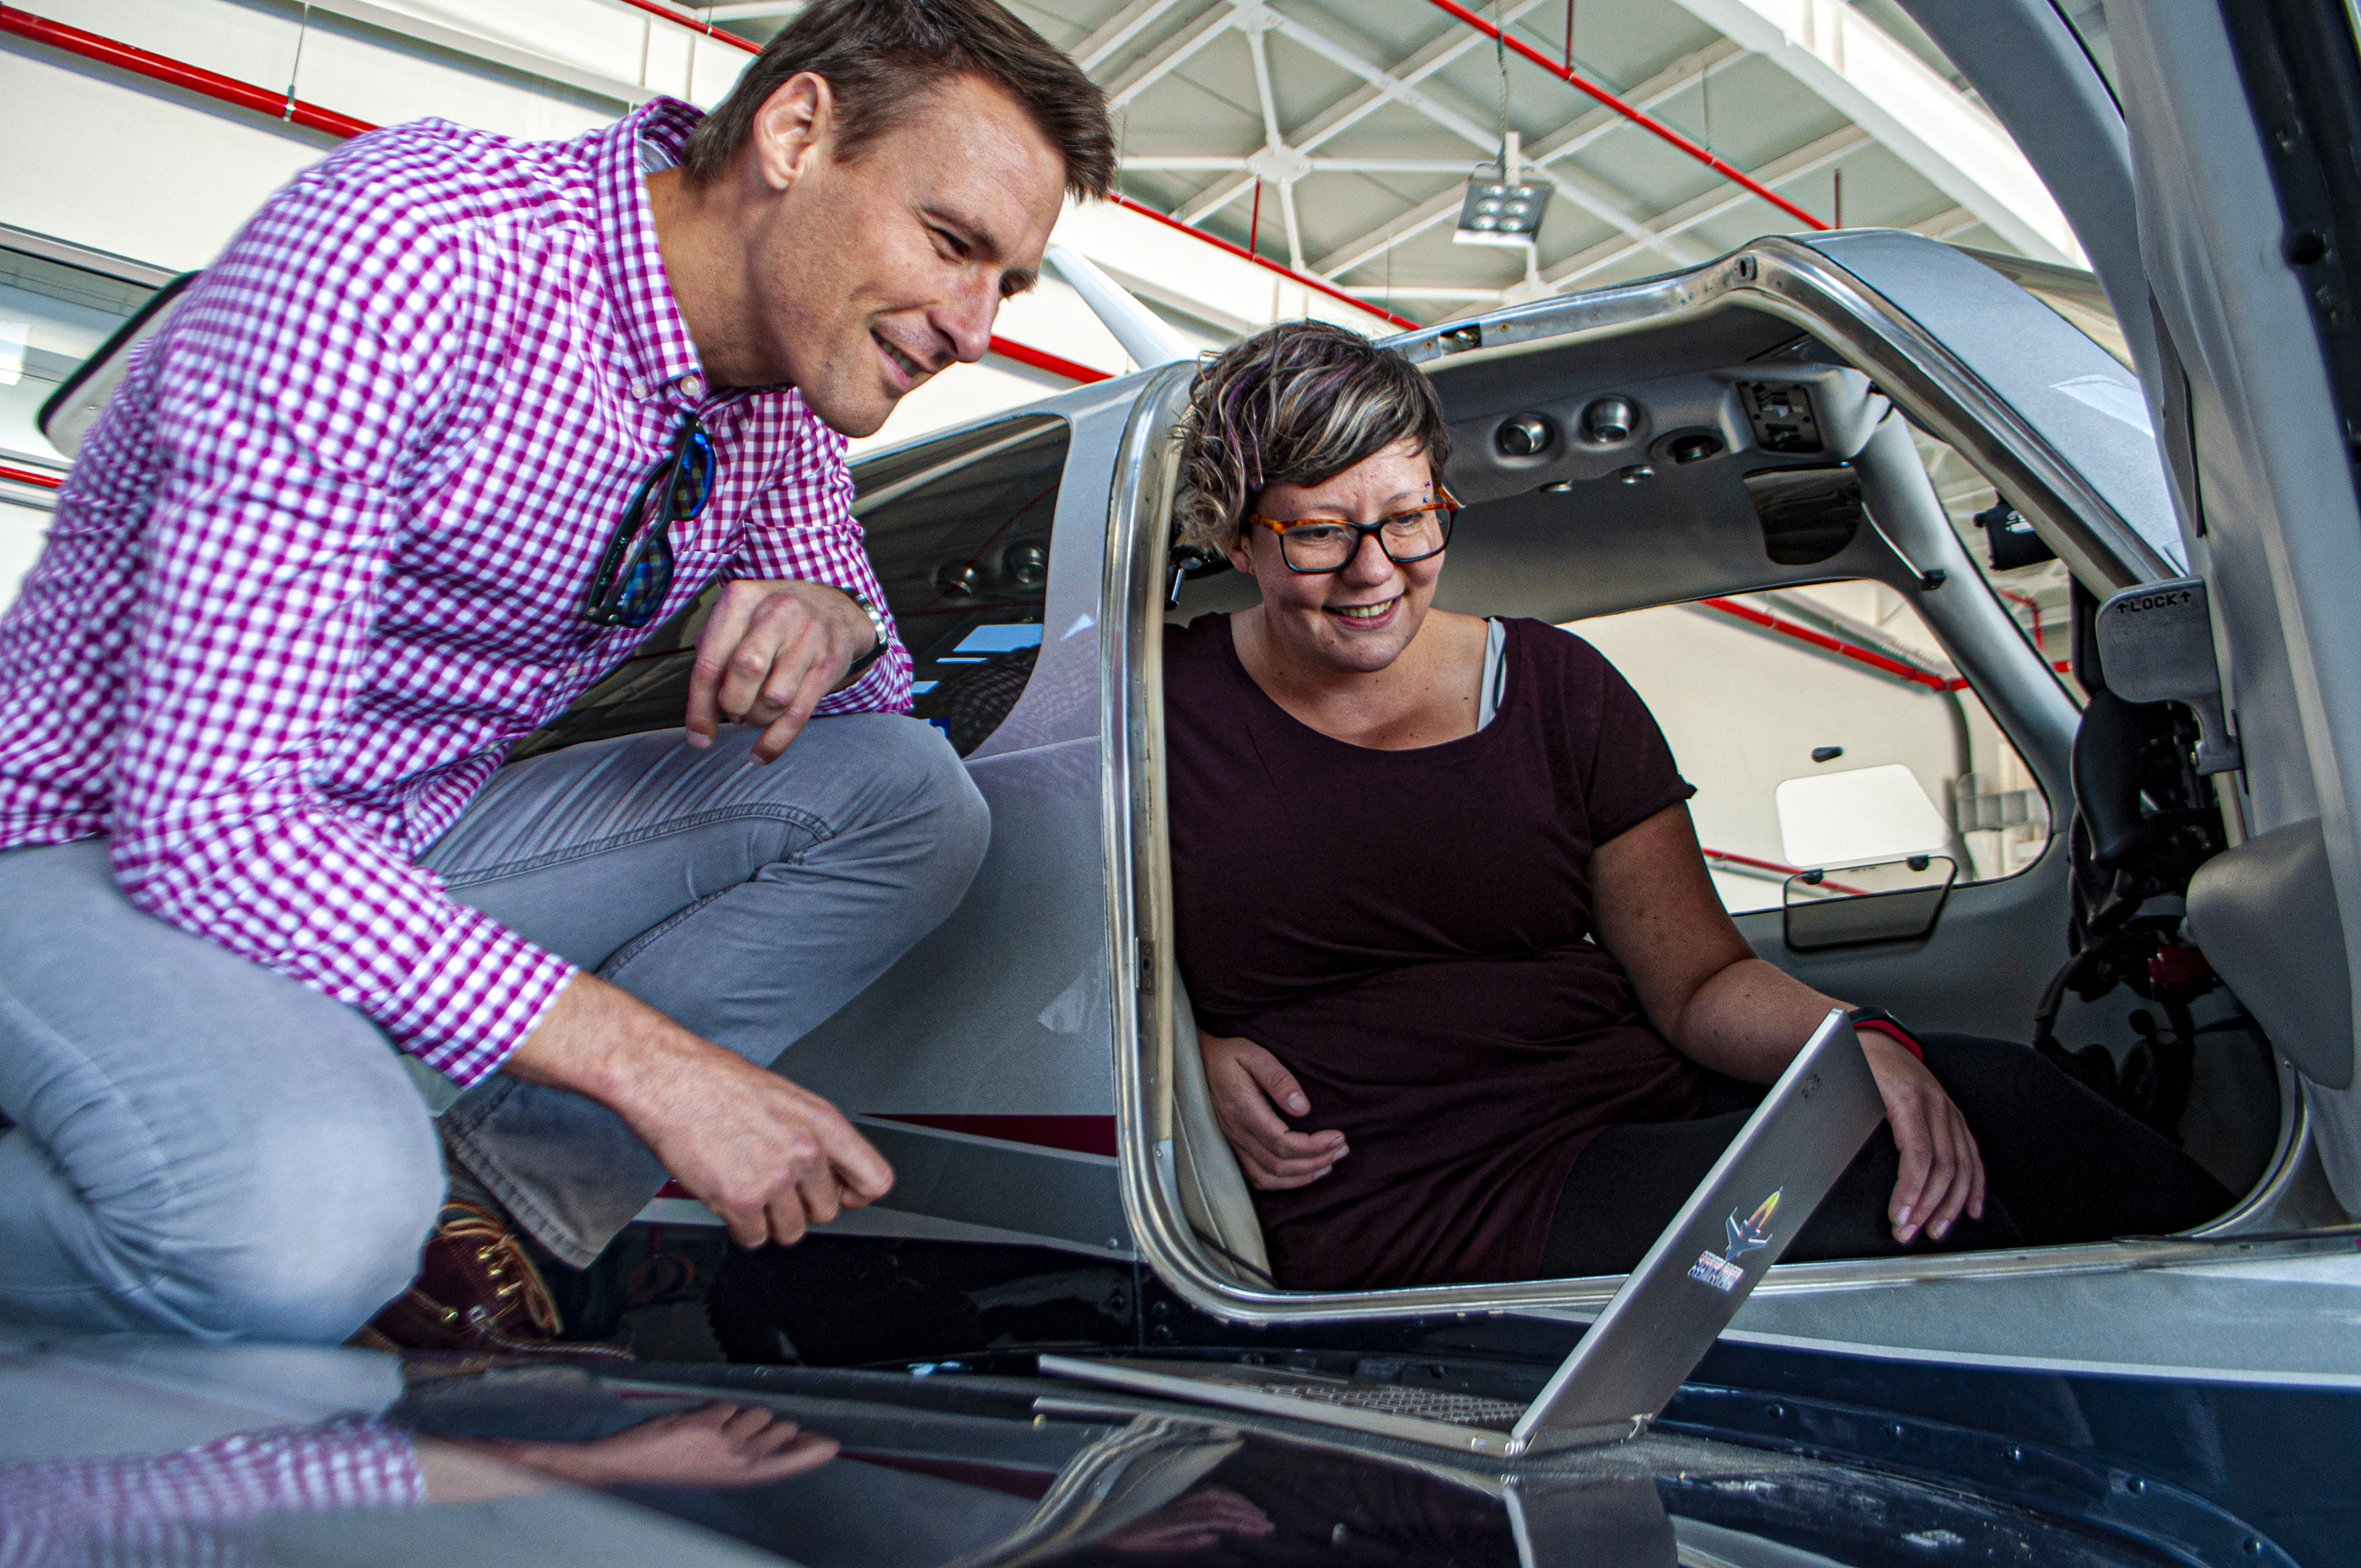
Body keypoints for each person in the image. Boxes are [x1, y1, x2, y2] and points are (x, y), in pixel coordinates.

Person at [0, 0, 1113, 1349]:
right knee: (303, 1226)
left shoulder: (770, 389)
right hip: (88, 847)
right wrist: (661, 1071)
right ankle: (337, 1227)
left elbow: (877, 708)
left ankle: (490, 1215)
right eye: (951, 245)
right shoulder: (413, 256)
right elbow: (213, 826)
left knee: (907, 802)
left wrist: (835, 618)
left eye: (1008, 284)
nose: (974, 326)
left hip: (400, 834)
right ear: (796, 131)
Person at [1162, 321, 2234, 1292]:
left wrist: (1854, 1040)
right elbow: (1044, 965)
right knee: (1898, 1223)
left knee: (2001, 1104)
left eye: (1408, 521)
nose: (1374, 571)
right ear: (1235, 536)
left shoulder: (1556, 688)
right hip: (1411, 1184)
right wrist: (1177, 1053)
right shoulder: (1153, 716)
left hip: (1630, 1099)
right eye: (1317, 534)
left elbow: (1699, 983)